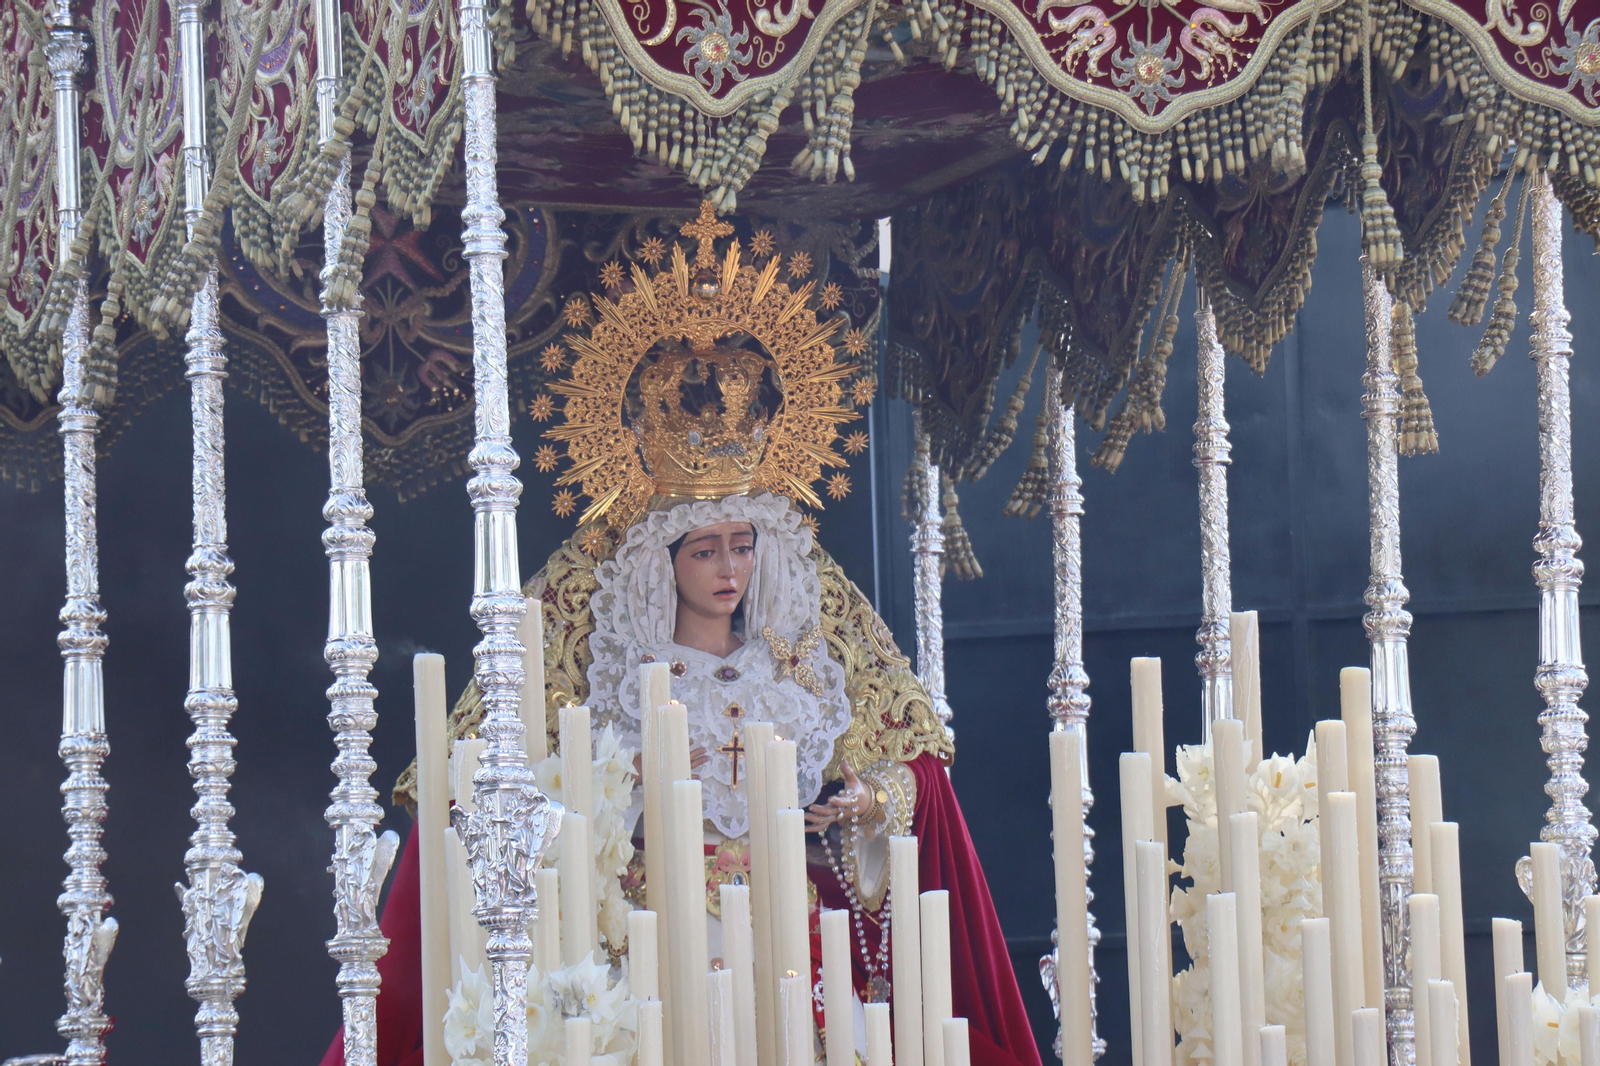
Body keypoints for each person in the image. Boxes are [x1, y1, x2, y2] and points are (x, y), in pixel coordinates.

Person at [320, 205, 1045, 1066]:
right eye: (705, 550)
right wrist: (583, 826)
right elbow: (484, 776)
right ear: (664, 560)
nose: (728, 570)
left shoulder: (807, 634)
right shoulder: (590, 624)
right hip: (650, 936)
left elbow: (914, 764)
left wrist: (869, 801)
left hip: (789, 931)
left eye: (742, 547)